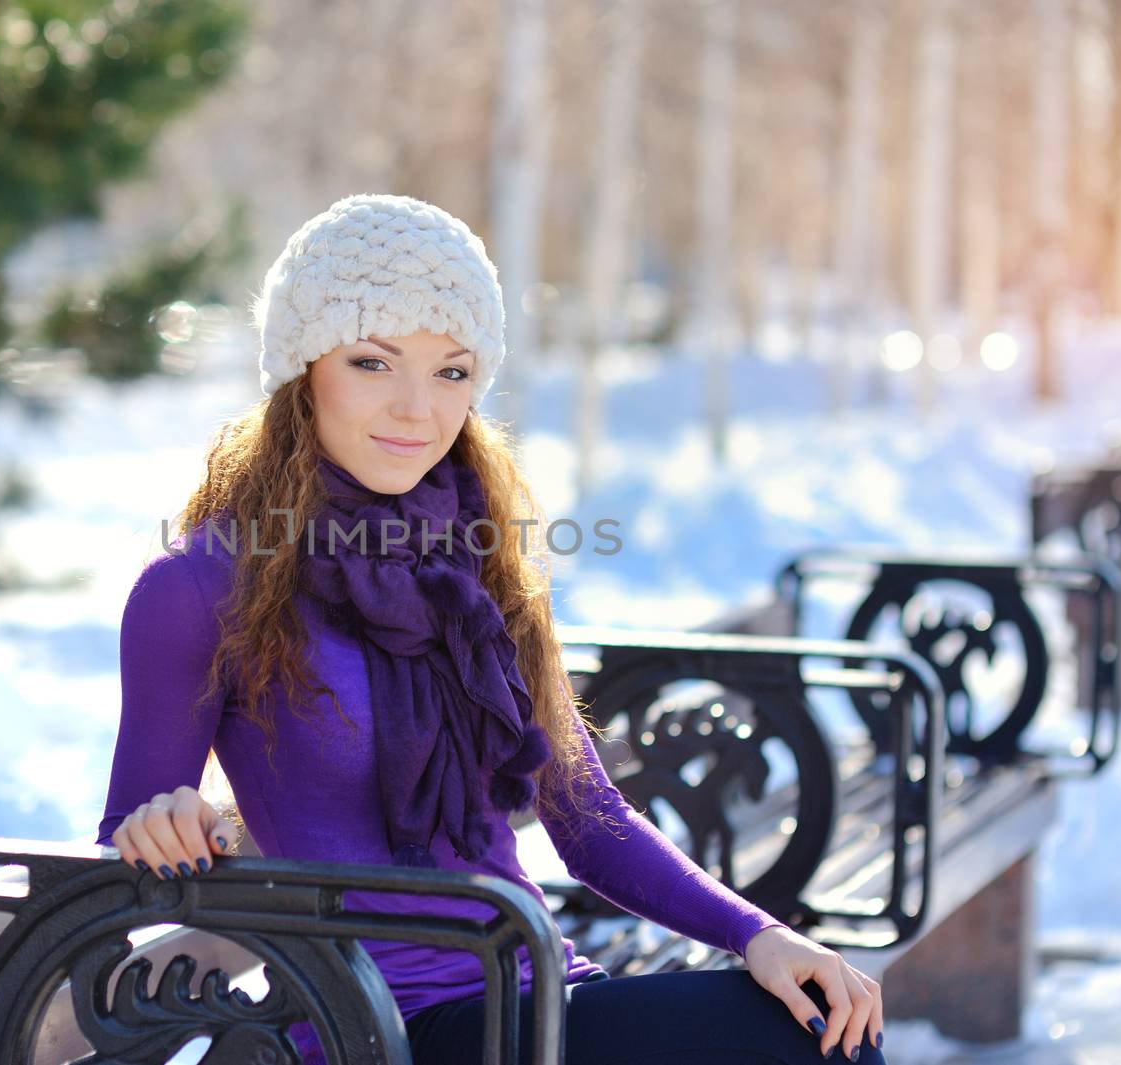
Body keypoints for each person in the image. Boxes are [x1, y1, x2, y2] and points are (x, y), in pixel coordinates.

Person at [95, 193, 887, 1064]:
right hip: (379, 1028)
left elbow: (584, 813)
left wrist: (760, 934)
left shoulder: (474, 565)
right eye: (372, 360)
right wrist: (167, 821)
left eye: (452, 371)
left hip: (532, 990)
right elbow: (128, 831)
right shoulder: (205, 583)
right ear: (302, 368)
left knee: (824, 1022)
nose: (415, 409)